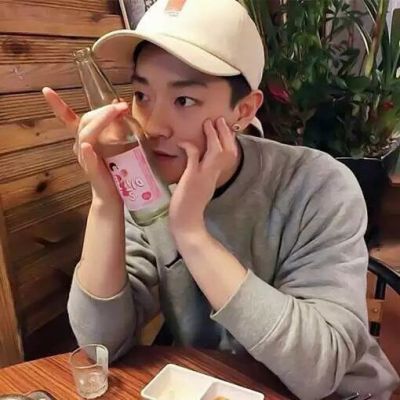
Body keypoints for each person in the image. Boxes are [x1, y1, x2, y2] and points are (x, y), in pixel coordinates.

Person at [42, 0, 399, 398]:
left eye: (184, 100)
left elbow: (319, 372)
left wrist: (190, 233)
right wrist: (106, 203)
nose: (153, 126)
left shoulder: (317, 185)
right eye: (142, 95)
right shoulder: (148, 186)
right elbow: (101, 346)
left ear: (243, 110)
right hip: (215, 385)